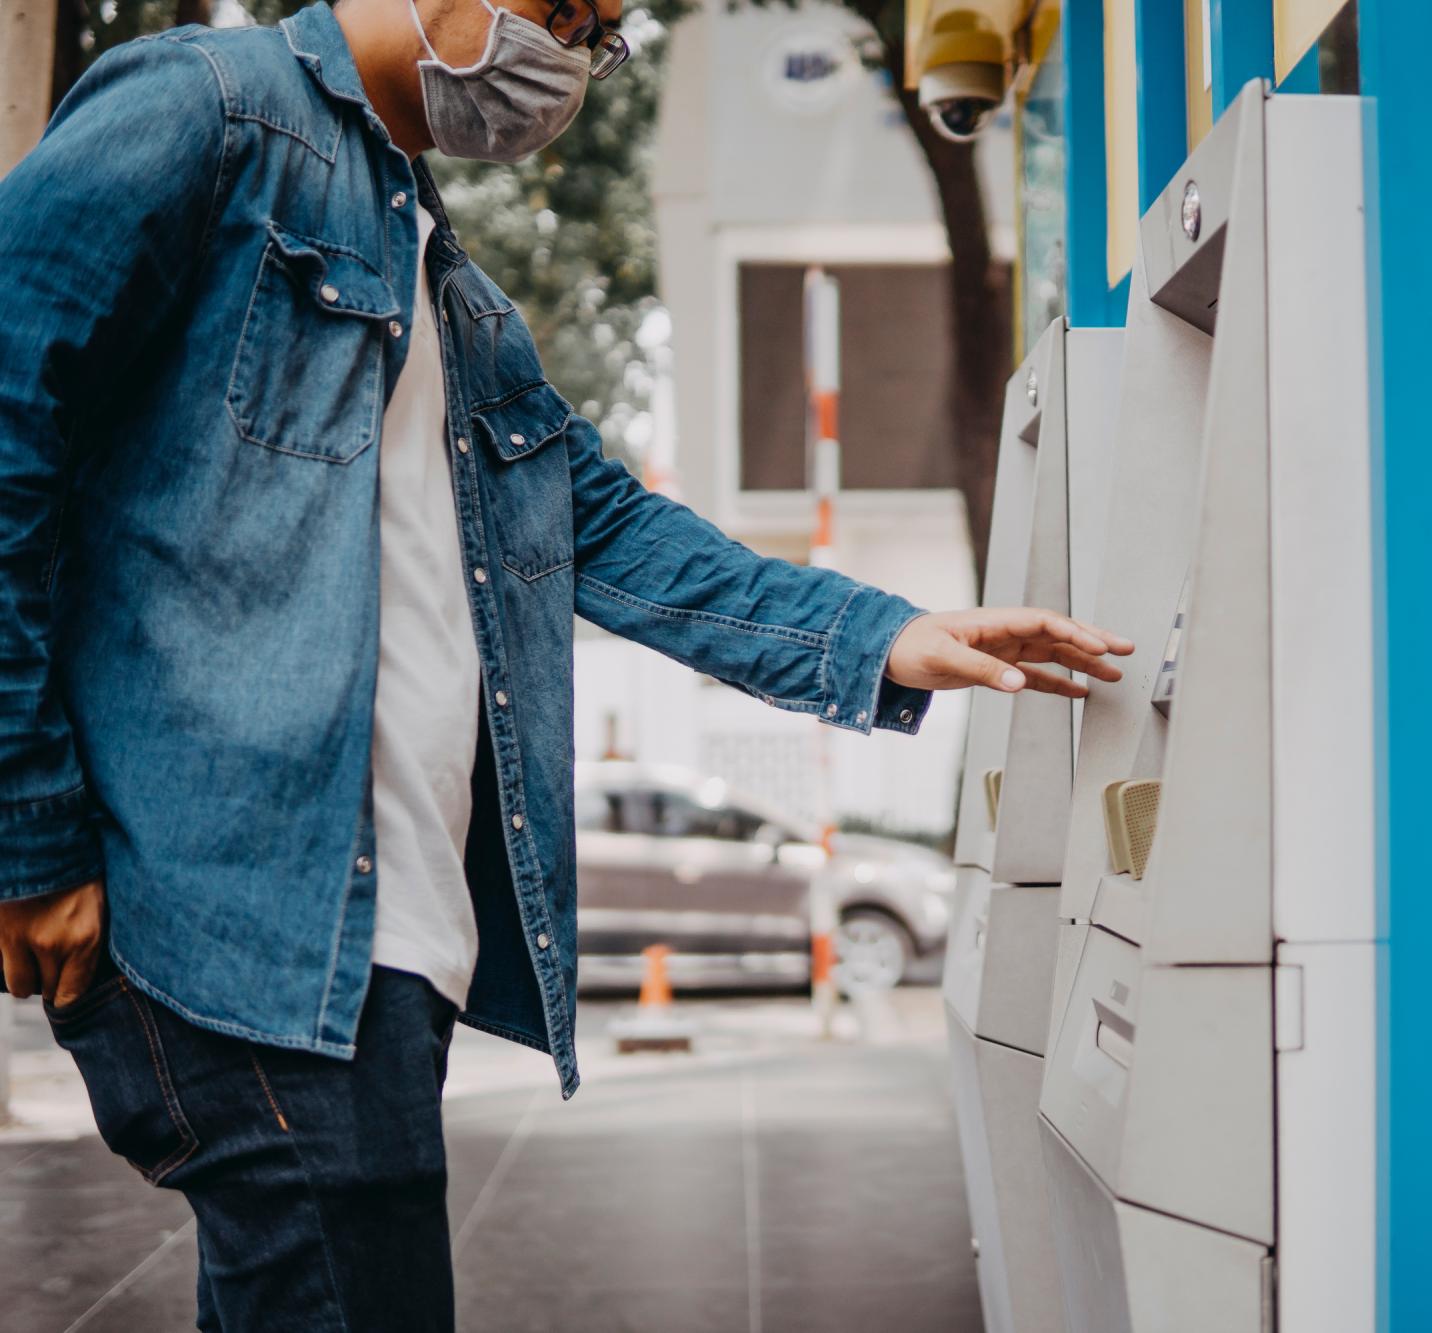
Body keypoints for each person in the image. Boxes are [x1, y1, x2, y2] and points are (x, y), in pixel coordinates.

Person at [0, 0, 1131, 1325]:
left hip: (376, 946)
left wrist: (885, 635)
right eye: (562, 11)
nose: (575, 59)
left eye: (598, 32)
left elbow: (610, 529)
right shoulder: (204, 109)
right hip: (239, 922)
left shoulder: (447, 286)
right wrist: (28, 836)